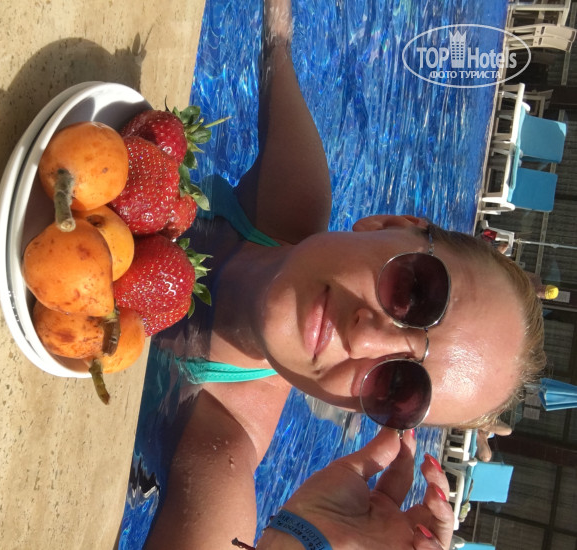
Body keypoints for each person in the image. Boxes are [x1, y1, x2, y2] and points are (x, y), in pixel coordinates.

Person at [142, 0, 547, 548]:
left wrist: (298, 542)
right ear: (389, 225)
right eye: (415, 291)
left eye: (398, 385)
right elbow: (276, 48)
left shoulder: (218, 448)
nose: (365, 337)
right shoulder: (291, 194)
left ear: (366, 411)